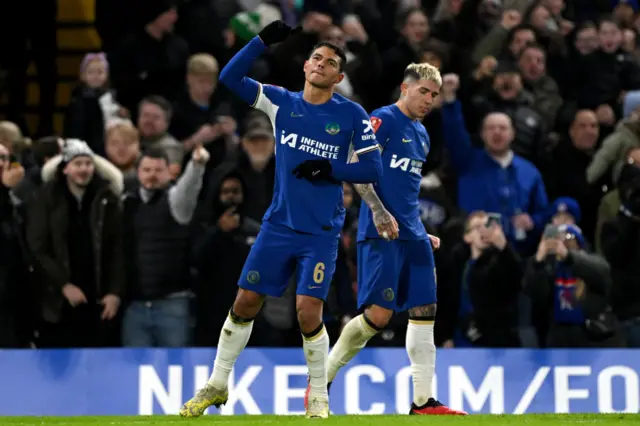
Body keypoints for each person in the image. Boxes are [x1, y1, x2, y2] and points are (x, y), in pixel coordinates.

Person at [180, 20, 382, 419]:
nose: (321, 65)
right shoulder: (280, 102)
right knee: (245, 301)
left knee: (309, 311)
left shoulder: (351, 114)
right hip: (278, 226)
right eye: (316, 59)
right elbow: (229, 76)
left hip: (321, 233)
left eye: (330, 63)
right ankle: (217, 386)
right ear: (305, 66)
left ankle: (319, 398)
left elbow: (373, 168)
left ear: (339, 77)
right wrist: (260, 42)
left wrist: (330, 170)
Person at [307, 62, 467, 415]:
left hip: (411, 232)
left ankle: (423, 401)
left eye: (435, 95)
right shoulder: (383, 120)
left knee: (426, 309)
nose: (429, 100)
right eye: (423, 91)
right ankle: (320, 380)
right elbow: (356, 167)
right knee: (378, 317)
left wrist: (419, 229)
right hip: (380, 231)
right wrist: (379, 212)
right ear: (404, 87)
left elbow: (405, 192)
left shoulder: (421, 134)